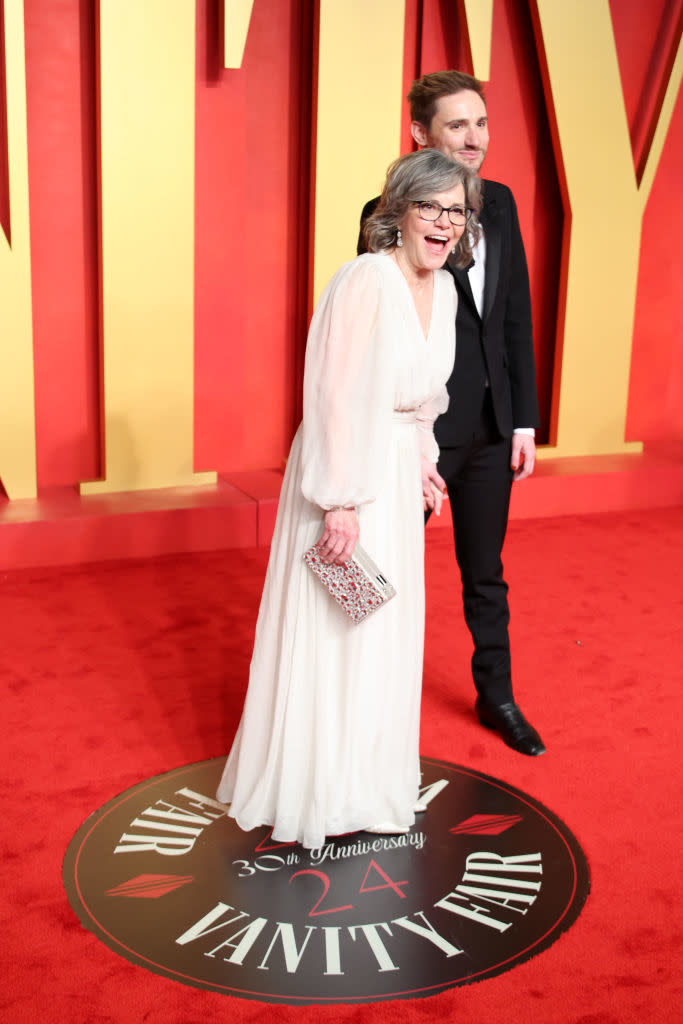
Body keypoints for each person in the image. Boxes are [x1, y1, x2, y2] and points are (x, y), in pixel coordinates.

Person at [217, 150, 478, 849]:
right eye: (431, 207)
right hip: (345, 474)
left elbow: (426, 400)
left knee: (382, 629)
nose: (443, 222)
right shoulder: (364, 279)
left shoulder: (449, 290)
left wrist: (424, 463)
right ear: (398, 209)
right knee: (340, 627)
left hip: (394, 480)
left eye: (455, 210)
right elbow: (331, 392)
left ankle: (366, 783)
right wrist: (337, 499)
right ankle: (319, 792)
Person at [359, 71, 545, 756]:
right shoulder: (383, 213)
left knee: (484, 572)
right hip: (414, 435)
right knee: (388, 570)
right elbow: (375, 338)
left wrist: (522, 421)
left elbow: (513, 316)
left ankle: (496, 695)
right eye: (456, 125)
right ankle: (372, 706)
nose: (475, 139)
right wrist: (402, 442)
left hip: (491, 432)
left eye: (482, 123)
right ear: (418, 133)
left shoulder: (498, 204)